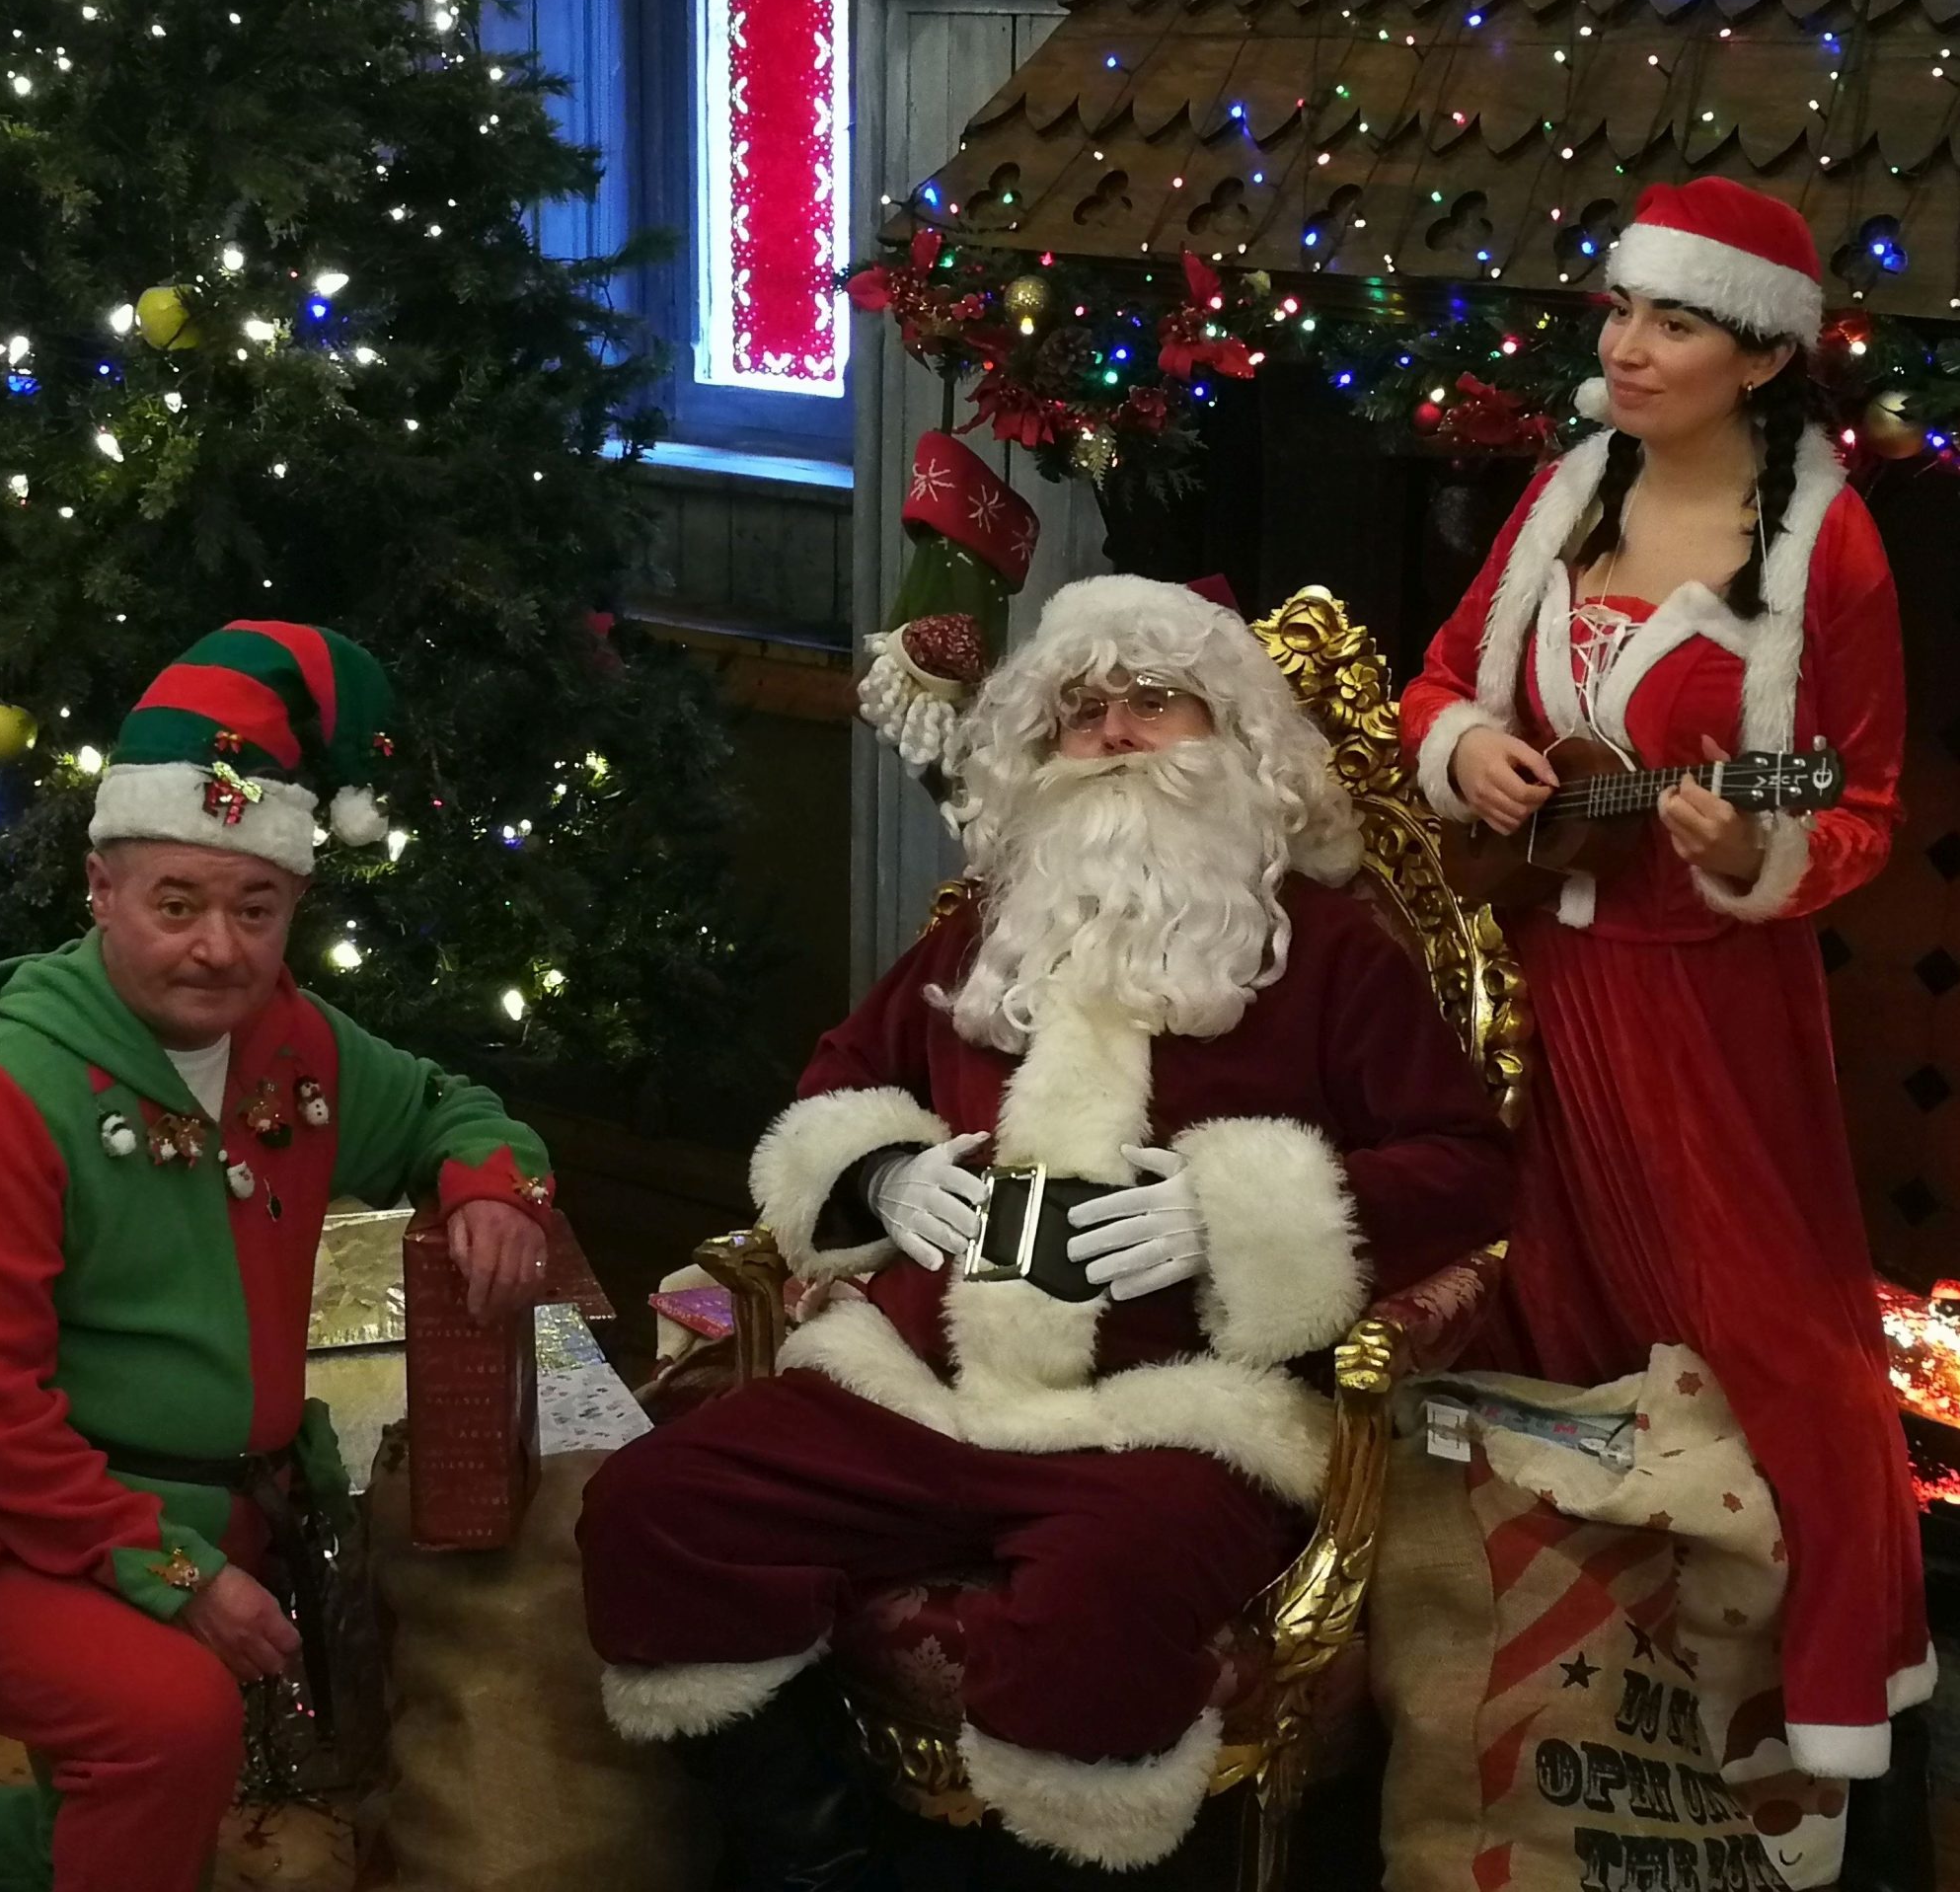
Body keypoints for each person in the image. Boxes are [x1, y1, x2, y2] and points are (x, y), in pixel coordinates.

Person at [579, 573, 1515, 1885]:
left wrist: (1226, 1211)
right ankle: (820, 1858)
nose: (1116, 732)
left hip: (1174, 1410)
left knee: (1096, 1613)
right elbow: (839, 1083)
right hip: (920, 1380)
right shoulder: (983, 931)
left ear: (1235, 740)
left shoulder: (1332, 954)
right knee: (656, 1507)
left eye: (1156, 701)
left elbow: (1466, 1170)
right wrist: (885, 1176)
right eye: (1081, 710)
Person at [0, 623, 556, 1892]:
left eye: (253, 908)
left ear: (291, 908)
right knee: (165, 1728)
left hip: (213, 1505)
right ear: (100, 892)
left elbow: (450, 1108)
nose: (217, 945)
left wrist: (494, 1192)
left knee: (132, 1819)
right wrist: (183, 1579)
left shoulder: (294, 1046)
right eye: (177, 903)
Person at [1397, 179, 1935, 1889]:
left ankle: (1819, 1726)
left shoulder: (1829, 548)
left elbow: (1863, 797)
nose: (1624, 351)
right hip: (1534, 994)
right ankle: (1607, 1704)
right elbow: (1434, 683)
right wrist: (1467, 748)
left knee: (1781, 1353)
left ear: (1763, 358)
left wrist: (1752, 842)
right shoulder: (1565, 494)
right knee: (1557, 1319)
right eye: (1620, 315)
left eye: (1671, 324)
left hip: (1708, 1008)